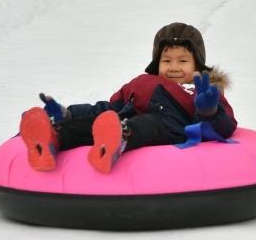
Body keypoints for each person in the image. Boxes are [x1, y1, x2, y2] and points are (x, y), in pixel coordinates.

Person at [19, 22, 236, 173]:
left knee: (145, 124)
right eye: (167, 61)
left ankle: (119, 139)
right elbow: (107, 107)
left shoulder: (203, 90)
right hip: (120, 120)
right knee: (100, 120)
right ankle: (53, 137)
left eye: (182, 61)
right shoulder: (142, 83)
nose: (174, 68)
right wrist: (70, 113)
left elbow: (224, 126)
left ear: (197, 64)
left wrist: (209, 111)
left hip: (169, 128)